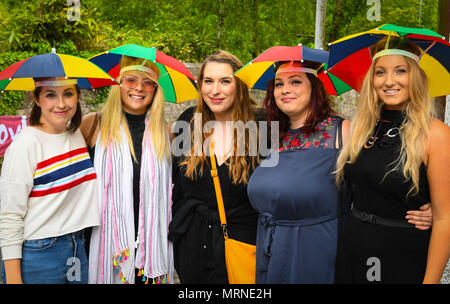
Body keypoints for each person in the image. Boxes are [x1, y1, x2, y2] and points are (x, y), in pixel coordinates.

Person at [246, 59, 433, 284]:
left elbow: (379, 174)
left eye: (295, 81)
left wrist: (429, 205)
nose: (285, 89)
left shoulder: (343, 131)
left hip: (319, 249)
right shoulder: (271, 135)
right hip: (272, 248)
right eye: (278, 84)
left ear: (315, 89)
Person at [335, 36, 450, 284]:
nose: (389, 81)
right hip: (353, 250)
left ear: (416, 78)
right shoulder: (362, 129)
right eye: (380, 72)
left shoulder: (436, 134)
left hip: (401, 255)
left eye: (401, 71)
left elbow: (444, 218)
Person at [168, 50, 261, 283]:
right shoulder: (188, 122)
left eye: (225, 81)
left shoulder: (262, 126)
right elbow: (177, 186)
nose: (215, 90)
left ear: (240, 85)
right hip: (193, 249)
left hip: (243, 247)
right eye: (208, 81)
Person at [81, 56, 173, 284]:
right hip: (107, 244)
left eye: (148, 82)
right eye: (130, 79)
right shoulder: (93, 125)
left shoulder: (166, 133)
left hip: (151, 249)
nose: (139, 88)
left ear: (155, 89)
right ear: (118, 84)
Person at [0, 77, 99, 284]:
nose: (61, 103)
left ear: (78, 96)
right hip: (39, 254)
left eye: (68, 94)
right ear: (37, 99)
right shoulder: (26, 144)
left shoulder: (76, 135)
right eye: (50, 95)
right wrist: (13, 279)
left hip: (77, 248)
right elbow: (9, 216)